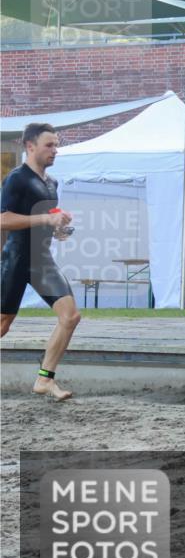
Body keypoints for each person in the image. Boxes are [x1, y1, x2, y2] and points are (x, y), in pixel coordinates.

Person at [1, 123, 81, 401]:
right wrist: (46, 219)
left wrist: (59, 227)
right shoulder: (16, 179)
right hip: (17, 258)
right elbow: (4, 220)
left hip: (42, 259)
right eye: (49, 145)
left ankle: (44, 380)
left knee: (70, 316)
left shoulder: (52, 183)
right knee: (3, 325)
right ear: (30, 146)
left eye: (56, 145)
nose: (55, 150)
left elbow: (48, 220)